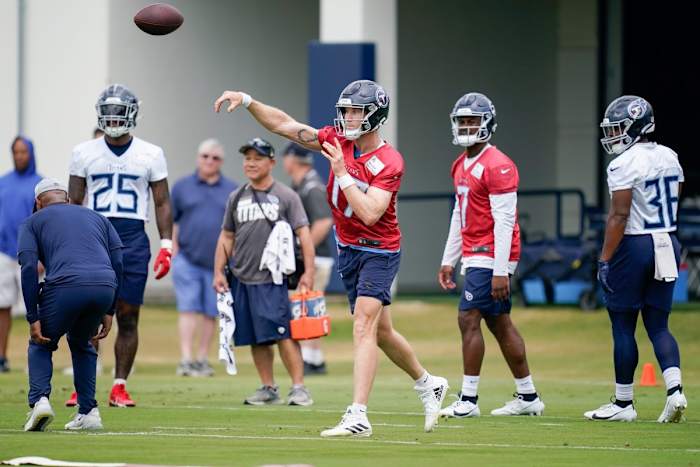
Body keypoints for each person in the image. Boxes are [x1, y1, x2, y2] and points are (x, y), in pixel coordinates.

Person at [214, 80, 448, 438]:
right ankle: (428, 383)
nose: (349, 117)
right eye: (346, 111)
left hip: (378, 250)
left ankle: (358, 415)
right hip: (350, 249)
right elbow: (284, 124)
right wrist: (247, 100)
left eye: (357, 111)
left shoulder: (389, 160)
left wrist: (340, 173)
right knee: (382, 333)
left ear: (376, 115)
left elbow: (370, 213)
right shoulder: (336, 140)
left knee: (363, 327)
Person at [438, 93, 544, 419]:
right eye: (463, 121)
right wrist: (448, 258)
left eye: (473, 120)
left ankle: (468, 399)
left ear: (487, 124)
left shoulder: (498, 164)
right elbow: (460, 213)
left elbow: (505, 221)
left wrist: (501, 269)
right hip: (474, 252)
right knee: (499, 322)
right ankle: (528, 395)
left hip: (491, 253)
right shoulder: (460, 164)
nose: (467, 126)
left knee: (468, 316)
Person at [68, 84, 173, 408]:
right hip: (94, 237)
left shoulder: (151, 153)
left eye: (119, 112)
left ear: (132, 113)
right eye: (109, 112)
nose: (113, 119)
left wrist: (166, 244)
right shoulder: (83, 151)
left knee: (128, 315)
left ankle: (119, 385)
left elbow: (162, 202)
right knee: (89, 314)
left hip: (132, 239)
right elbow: (73, 201)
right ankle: (84, 384)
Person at [585, 96, 687, 423]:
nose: (613, 135)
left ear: (635, 127)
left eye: (618, 128)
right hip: (666, 240)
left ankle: (623, 402)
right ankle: (675, 392)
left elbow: (619, 215)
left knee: (623, 325)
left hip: (635, 244)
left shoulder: (622, 163)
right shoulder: (670, 156)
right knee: (658, 325)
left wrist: (605, 258)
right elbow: (676, 195)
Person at [213, 137, 315, 406]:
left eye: (257, 158)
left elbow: (304, 235)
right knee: (256, 337)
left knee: (282, 333)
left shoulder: (286, 195)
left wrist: (309, 272)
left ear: (271, 162)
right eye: (247, 158)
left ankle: (299, 387)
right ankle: (268, 387)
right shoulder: (237, 196)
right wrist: (219, 273)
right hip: (242, 278)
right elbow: (226, 237)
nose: (251, 163)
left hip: (273, 278)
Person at [19, 179, 123, 431]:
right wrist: (110, 309)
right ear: (66, 199)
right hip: (104, 285)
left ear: (38, 202)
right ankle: (89, 412)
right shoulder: (97, 217)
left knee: (41, 343)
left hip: (66, 285)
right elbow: (118, 261)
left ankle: (39, 401)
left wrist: (33, 317)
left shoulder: (32, 221)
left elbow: (29, 267)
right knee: (82, 342)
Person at [172, 138, 237, 376]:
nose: (209, 161)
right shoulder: (182, 187)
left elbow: (235, 228)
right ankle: (186, 358)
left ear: (221, 162)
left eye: (215, 158)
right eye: (205, 156)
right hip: (187, 258)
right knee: (188, 308)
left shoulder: (232, 189)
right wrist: (173, 250)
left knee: (211, 311)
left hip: (218, 263)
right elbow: (173, 221)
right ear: (198, 158)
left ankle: (202, 358)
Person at [282, 142, 334, 375]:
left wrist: (305, 250)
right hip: (311, 258)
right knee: (306, 308)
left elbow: (324, 222)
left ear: (292, 159)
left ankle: (313, 360)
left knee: (308, 308)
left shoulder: (311, 186)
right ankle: (312, 358)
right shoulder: (301, 184)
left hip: (315, 258)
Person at [0, 136, 42, 373]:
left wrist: (42, 257)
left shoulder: (40, 184)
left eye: (23, 152)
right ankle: (2, 358)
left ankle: (36, 357)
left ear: (31, 153)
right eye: (15, 152)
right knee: (2, 306)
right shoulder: (3, 183)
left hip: (31, 256)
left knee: (35, 306)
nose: (19, 156)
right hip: (4, 253)